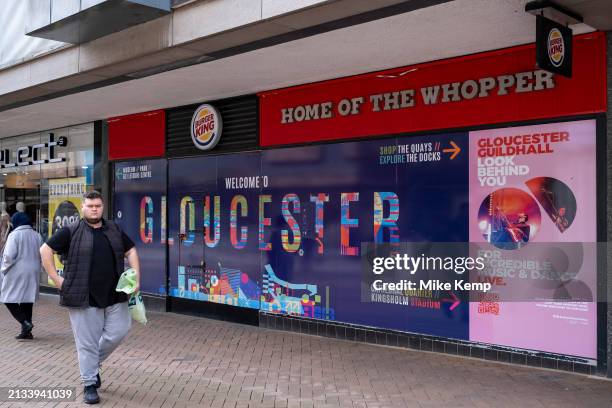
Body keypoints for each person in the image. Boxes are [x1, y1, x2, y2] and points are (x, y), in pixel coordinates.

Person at [40, 190, 140, 405]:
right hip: (83, 296)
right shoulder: (71, 230)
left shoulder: (113, 228)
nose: (94, 209)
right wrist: (57, 280)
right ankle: (89, 384)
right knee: (86, 344)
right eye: (90, 205)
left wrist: (136, 276)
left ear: (102, 207)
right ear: (83, 207)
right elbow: (45, 250)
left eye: (98, 206)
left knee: (119, 332)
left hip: (115, 294)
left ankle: (92, 366)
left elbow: (130, 250)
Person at [0, 212, 42, 340]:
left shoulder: (14, 235)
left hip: (17, 270)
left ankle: (25, 323)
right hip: (33, 270)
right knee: (27, 300)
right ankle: (26, 332)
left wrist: (3, 269)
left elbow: (8, 256)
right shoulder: (37, 235)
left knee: (7, 298)